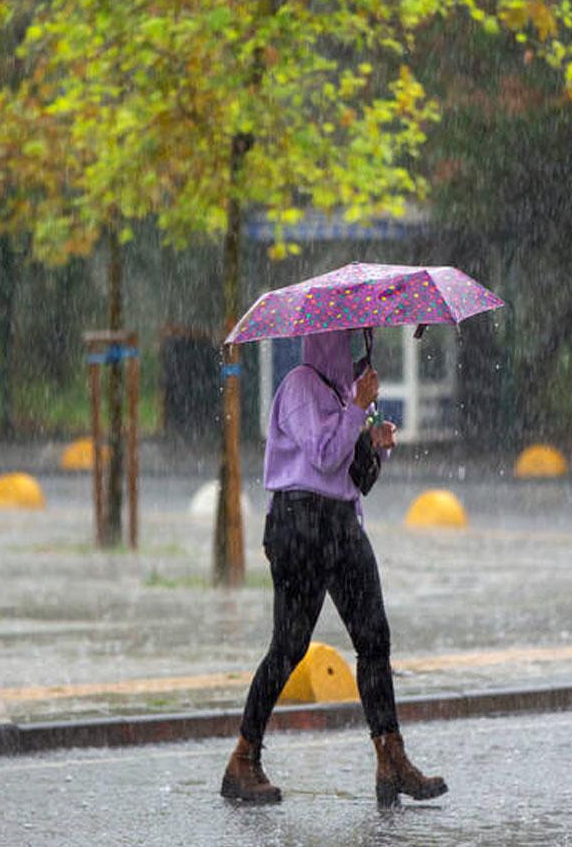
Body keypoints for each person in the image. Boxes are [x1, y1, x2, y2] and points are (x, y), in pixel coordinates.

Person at [221, 329, 447, 807]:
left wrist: (375, 443)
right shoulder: (300, 385)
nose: (351, 353)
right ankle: (243, 758)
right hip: (300, 525)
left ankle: (392, 759)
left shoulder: (343, 394)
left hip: (343, 526)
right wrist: (355, 410)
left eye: (354, 345)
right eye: (343, 343)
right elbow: (322, 457)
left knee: (374, 640)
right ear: (324, 342)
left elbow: (352, 475)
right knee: (289, 646)